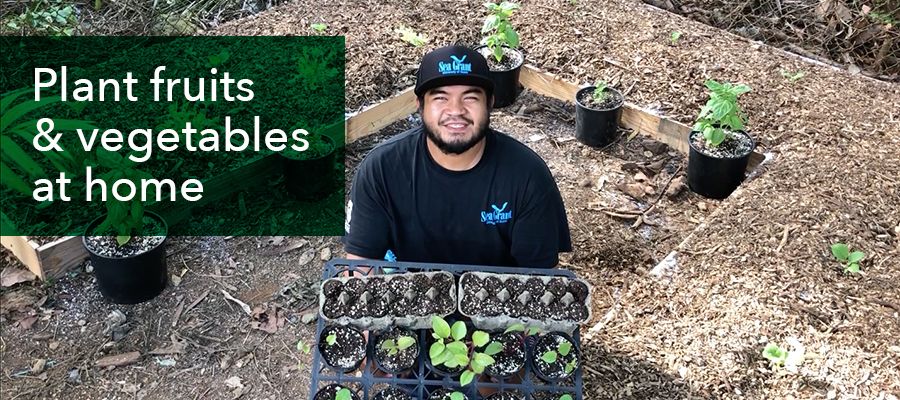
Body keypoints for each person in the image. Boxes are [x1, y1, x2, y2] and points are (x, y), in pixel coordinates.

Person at [342, 45, 571, 268]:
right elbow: (361, 263)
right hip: (408, 291)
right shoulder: (381, 169)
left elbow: (538, 277)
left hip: (500, 299)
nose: (456, 110)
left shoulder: (528, 176)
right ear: (420, 106)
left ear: (489, 103)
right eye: (440, 98)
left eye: (470, 97)